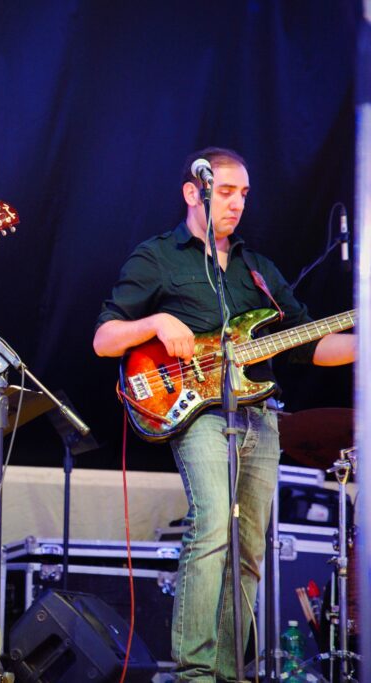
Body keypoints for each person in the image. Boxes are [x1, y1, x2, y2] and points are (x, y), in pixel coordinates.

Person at [92, 147, 355, 682]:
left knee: (249, 548)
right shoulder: (159, 257)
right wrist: (157, 321)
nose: (237, 204)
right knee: (211, 523)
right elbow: (104, 339)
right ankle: (193, 673)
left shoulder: (258, 270)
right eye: (227, 192)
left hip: (260, 415)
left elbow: (310, 344)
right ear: (194, 192)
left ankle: (233, 673)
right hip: (197, 412)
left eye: (244, 194)